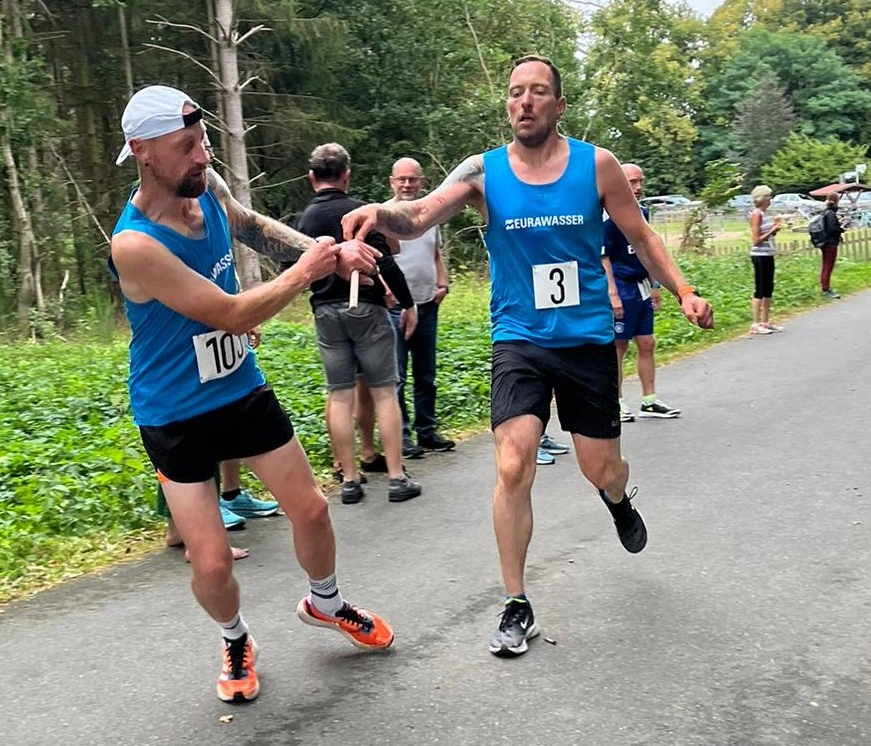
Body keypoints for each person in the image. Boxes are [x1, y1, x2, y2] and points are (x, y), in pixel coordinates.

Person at [341, 56, 713, 658]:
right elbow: (416, 215)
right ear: (508, 105)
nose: (526, 102)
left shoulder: (598, 166)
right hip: (519, 338)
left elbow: (641, 236)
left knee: (601, 468)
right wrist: (377, 214)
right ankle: (517, 603)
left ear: (558, 105)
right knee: (513, 464)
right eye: (516, 93)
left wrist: (685, 290)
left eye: (539, 92)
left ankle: (617, 499)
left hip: (589, 339)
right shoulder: (482, 173)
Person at [109, 85, 394, 704]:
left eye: (204, 140)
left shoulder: (205, 188)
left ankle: (326, 602)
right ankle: (235, 639)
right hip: (173, 412)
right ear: (143, 152)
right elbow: (232, 313)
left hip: (238, 389)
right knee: (211, 563)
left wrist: (329, 249)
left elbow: (251, 227)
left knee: (313, 509)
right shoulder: (134, 244)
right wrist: (307, 271)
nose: (202, 155)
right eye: (187, 146)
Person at [295, 143, 422, 505]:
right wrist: (408, 303)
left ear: (311, 178)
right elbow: (386, 262)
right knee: (384, 390)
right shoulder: (359, 212)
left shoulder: (304, 220)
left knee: (339, 393)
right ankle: (397, 476)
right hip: (366, 309)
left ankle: (350, 479)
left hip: (325, 311)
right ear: (347, 176)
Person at [386, 157, 456, 455]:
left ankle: (426, 430)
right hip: (395, 308)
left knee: (426, 375)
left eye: (412, 179)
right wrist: (388, 292)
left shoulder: (429, 215)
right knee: (397, 375)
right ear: (392, 182)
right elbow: (379, 260)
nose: (407, 184)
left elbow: (436, 253)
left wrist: (443, 282)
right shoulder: (384, 215)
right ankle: (401, 437)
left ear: (422, 181)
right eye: (401, 179)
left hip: (428, 303)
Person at [602, 162, 680, 421]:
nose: (637, 188)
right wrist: (612, 294)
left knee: (647, 342)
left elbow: (646, 252)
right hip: (621, 286)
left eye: (640, 182)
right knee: (618, 346)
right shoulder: (608, 216)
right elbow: (604, 258)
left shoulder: (642, 213)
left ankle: (649, 400)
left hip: (641, 286)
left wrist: (656, 285)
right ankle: (616, 400)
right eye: (631, 182)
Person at [748, 185, 783, 335]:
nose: (771, 200)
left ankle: (766, 321)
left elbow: (768, 236)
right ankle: (755, 323)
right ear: (762, 198)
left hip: (768, 254)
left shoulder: (765, 214)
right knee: (760, 289)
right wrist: (772, 230)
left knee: (769, 288)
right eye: (769, 197)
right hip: (759, 255)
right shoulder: (756, 214)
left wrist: (774, 228)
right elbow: (756, 240)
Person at [817, 193, 845, 299]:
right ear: (836, 201)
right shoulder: (831, 214)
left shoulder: (825, 212)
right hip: (831, 243)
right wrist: (841, 229)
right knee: (828, 266)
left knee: (825, 266)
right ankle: (826, 289)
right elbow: (832, 229)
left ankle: (825, 287)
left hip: (824, 242)